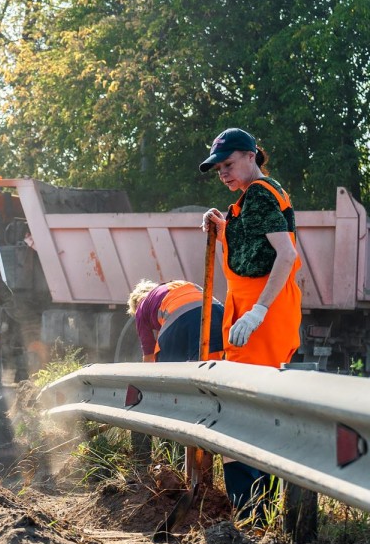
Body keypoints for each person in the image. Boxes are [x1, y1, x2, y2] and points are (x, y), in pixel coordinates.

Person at [200, 127, 302, 522]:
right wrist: (223, 227)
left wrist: (258, 311)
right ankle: (261, 513)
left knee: (237, 410)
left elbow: (286, 254)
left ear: (250, 156)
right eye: (218, 169)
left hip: (261, 314)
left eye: (228, 164)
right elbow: (252, 250)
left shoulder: (258, 193)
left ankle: (250, 516)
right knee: (254, 409)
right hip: (257, 310)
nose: (223, 173)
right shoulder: (255, 196)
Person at [127, 279, 224, 362]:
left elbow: (149, 353)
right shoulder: (175, 284)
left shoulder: (141, 306)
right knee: (211, 361)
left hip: (179, 315)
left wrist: (142, 381)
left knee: (168, 369)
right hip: (216, 310)